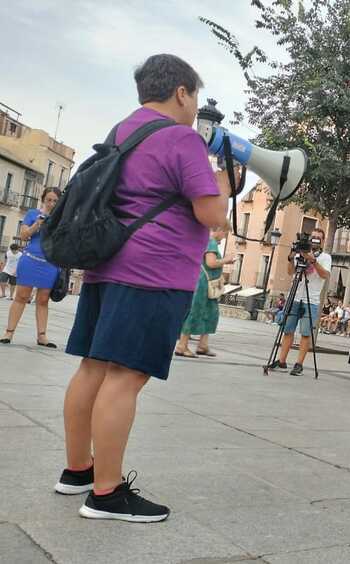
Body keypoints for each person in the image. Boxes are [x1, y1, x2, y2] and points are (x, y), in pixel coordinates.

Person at [57, 54, 235, 523]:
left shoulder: (123, 130)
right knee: (125, 377)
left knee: (92, 368)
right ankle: (107, 494)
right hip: (154, 273)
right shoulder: (181, 138)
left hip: (107, 266)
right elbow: (212, 216)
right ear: (182, 92)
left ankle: (78, 470)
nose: (196, 106)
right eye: (194, 96)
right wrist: (224, 186)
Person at [1, 188, 62, 347]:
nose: (52, 203)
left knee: (43, 300)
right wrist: (37, 224)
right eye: (49, 200)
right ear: (43, 199)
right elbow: (23, 236)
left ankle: (42, 336)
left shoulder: (61, 218)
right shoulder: (32, 214)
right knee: (21, 296)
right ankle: (9, 333)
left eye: (55, 201)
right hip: (30, 260)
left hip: (50, 263)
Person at [266, 228, 332, 376]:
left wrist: (313, 260)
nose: (314, 240)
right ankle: (281, 361)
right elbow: (290, 272)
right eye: (312, 237)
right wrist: (291, 257)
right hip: (295, 296)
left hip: (312, 300)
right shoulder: (300, 253)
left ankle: (299, 364)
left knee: (305, 333)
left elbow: (325, 275)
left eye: (318, 238)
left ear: (322, 241)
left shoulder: (325, 257)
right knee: (288, 329)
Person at [174, 225, 234, 358]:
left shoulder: (206, 240)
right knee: (195, 312)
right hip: (203, 285)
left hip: (204, 283)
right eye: (225, 233)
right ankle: (182, 346)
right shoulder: (211, 242)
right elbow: (211, 263)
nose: (225, 236)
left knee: (210, 313)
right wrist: (226, 260)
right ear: (220, 230)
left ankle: (203, 345)